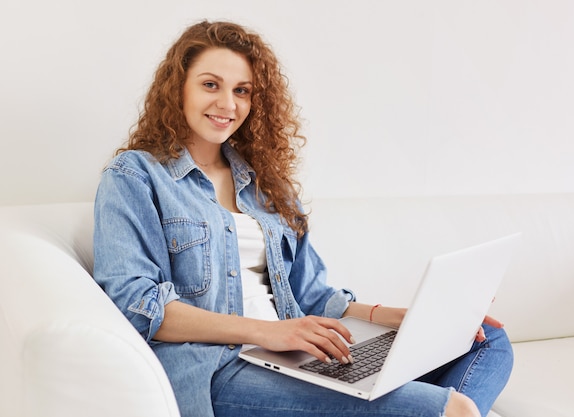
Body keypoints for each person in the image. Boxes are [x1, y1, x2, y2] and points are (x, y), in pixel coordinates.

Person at [93, 20, 513, 417]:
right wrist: (266, 332)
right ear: (177, 88)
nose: (227, 103)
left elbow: (312, 296)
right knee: (446, 408)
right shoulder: (135, 175)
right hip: (220, 369)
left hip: (296, 355)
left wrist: (397, 317)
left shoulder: (263, 184)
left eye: (242, 91)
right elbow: (138, 307)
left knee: (486, 340)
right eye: (210, 85)